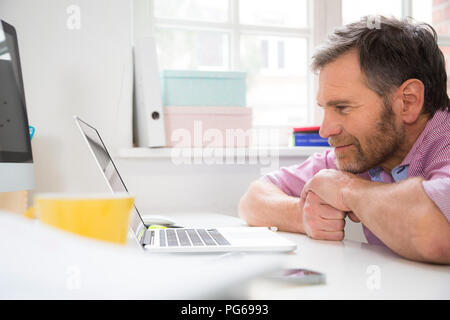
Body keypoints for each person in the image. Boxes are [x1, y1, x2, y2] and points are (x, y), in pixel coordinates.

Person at [238, 16, 450, 264]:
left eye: (342, 107)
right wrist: (303, 214)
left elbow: (435, 235)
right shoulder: (367, 152)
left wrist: (346, 189)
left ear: (408, 101)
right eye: (325, 109)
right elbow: (253, 199)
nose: (325, 131)